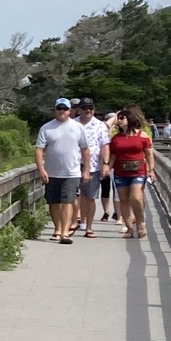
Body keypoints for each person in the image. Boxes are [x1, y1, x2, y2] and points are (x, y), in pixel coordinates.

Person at [34, 97, 89, 244]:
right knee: (53, 202)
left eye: (65, 109)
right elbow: (39, 150)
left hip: (71, 172)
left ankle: (65, 232)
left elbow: (85, 150)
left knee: (68, 201)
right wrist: (41, 169)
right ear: (55, 110)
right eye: (59, 109)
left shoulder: (77, 127)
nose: (62, 111)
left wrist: (86, 171)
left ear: (70, 111)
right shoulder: (46, 128)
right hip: (52, 172)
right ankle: (57, 229)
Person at [109, 106, 157, 238]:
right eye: (118, 118)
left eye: (122, 118)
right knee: (123, 200)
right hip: (120, 172)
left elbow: (149, 155)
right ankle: (129, 228)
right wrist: (107, 169)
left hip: (138, 171)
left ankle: (140, 223)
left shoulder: (142, 135)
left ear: (129, 119)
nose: (119, 120)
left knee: (135, 198)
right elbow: (112, 156)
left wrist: (151, 170)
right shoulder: (116, 138)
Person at [72, 99, 109, 237]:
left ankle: (88, 227)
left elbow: (105, 145)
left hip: (93, 166)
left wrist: (105, 164)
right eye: (85, 107)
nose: (88, 110)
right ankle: (74, 222)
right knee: (73, 196)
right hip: (74, 165)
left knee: (90, 197)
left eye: (90, 108)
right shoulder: (73, 124)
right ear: (80, 109)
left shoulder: (100, 125)